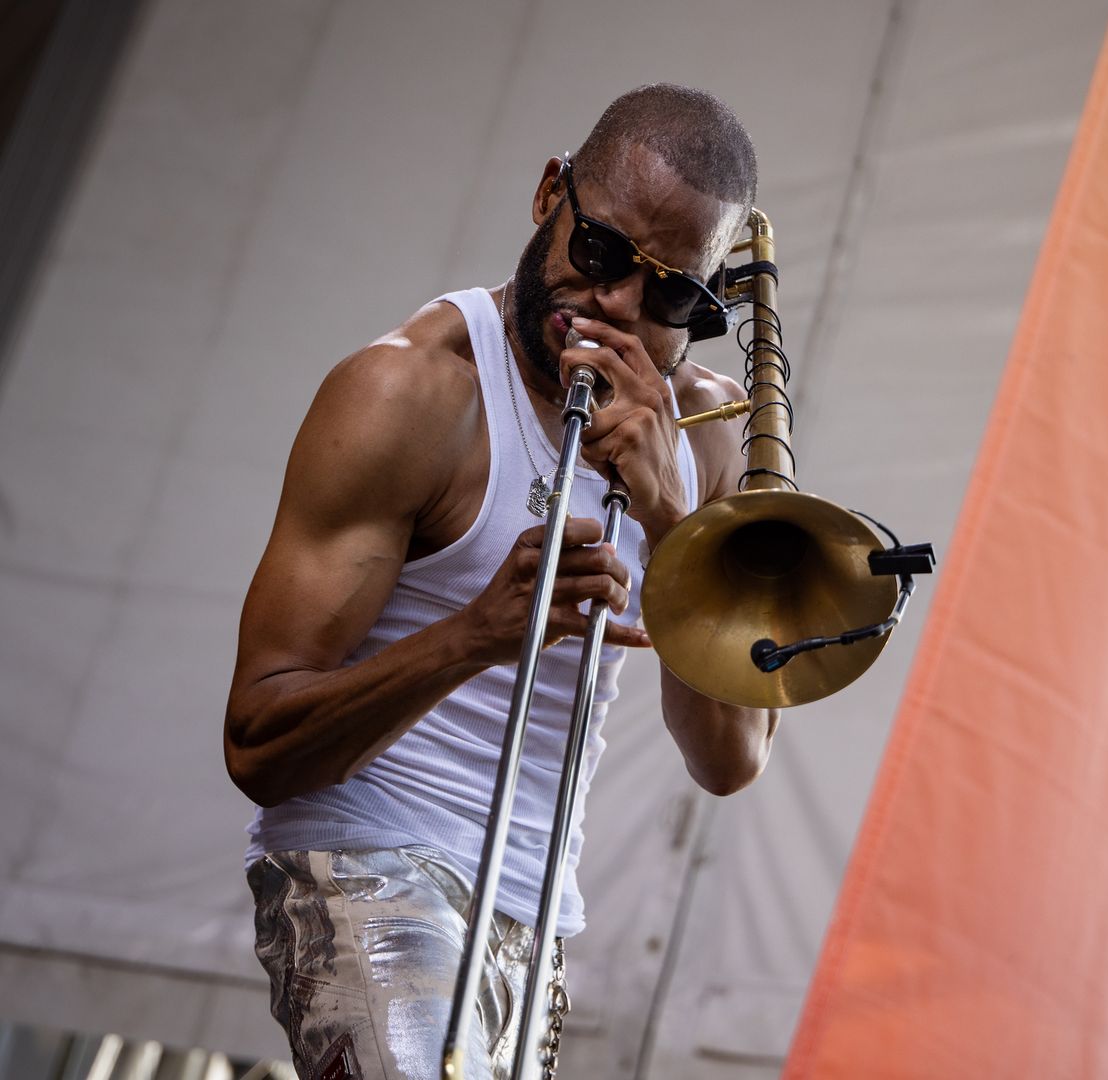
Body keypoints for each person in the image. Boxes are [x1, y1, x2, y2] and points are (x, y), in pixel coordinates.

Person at [223, 85, 774, 1079]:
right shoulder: (412, 392)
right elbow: (258, 742)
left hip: (536, 913)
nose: (614, 306)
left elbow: (732, 759)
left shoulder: (711, 431)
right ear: (548, 194)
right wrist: (475, 633)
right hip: (363, 859)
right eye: (600, 255)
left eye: (668, 296)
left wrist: (672, 524)